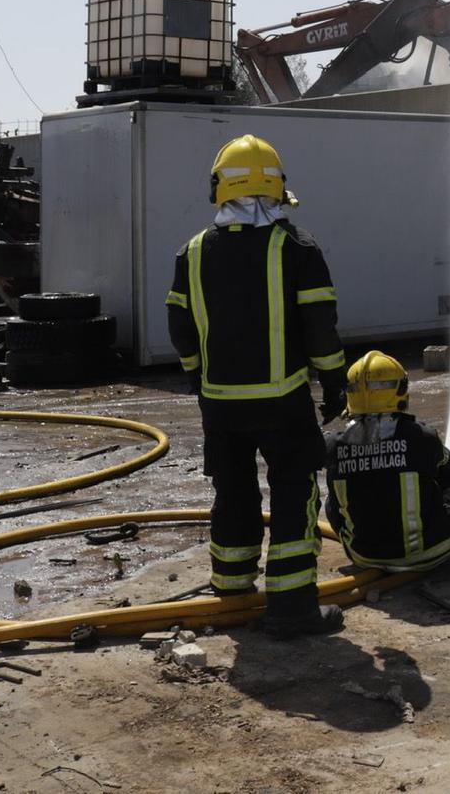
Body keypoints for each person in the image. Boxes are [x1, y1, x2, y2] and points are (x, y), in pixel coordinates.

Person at [166, 134, 348, 638]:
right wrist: (334, 382)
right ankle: (292, 610)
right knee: (293, 493)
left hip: (220, 405)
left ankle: (231, 587)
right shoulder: (296, 248)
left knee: (234, 491)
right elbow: (320, 328)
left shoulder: (193, 253)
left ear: (218, 190)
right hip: (284, 401)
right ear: (277, 189)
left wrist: (196, 377)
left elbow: (179, 327)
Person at [323, 350, 450, 571]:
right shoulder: (422, 436)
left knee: (331, 500)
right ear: (400, 391)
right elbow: (447, 473)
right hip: (431, 552)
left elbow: (337, 505)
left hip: (363, 557)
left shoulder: (333, 446)